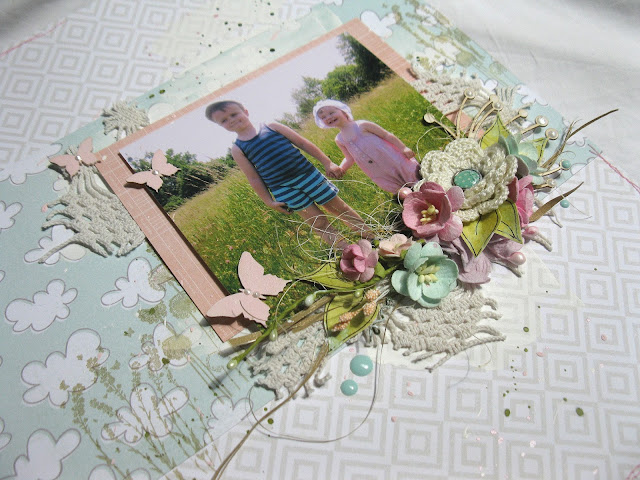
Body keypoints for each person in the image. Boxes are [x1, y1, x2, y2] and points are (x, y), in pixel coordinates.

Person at [205, 100, 371, 249]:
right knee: (318, 222)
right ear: (221, 126)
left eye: (234, 114)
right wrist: (269, 201)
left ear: (246, 112)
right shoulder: (238, 149)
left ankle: (371, 237)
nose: (231, 120)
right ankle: (349, 252)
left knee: (339, 209)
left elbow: (302, 143)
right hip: (284, 190)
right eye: (224, 120)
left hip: (308, 176)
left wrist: (327, 162)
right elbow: (253, 177)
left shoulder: (271, 126)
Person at [313, 99, 420, 195]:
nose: (328, 117)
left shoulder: (362, 125)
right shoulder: (339, 139)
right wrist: (341, 169)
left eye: (331, 113)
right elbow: (349, 158)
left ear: (343, 111)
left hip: (391, 158)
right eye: (323, 117)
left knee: (411, 175)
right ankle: (411, 196)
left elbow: (386, 135)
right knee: (396, 186)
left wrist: (403, 148)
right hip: (376, 169)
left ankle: (422, 186)